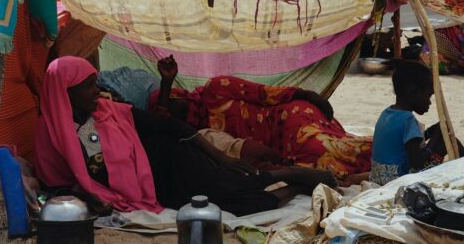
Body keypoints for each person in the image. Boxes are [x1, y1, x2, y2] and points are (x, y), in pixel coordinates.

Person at [34, 56, 337, 216]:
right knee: (244, 206)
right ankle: (297, 184)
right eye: (87, 85)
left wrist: (218, 155)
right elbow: (57, 186)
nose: (95, 91)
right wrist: (88, 195)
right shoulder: (49, 137)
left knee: (231, 184)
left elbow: (170, 127)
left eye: (93, 83)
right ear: (65, 92)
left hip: (171, 160)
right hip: (157, 189)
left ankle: (287, 173)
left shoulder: (108, 111)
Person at [153, 56, 372, 179]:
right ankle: (385, 162)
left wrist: (308, 95)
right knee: (314, 167)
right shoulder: (202, 138)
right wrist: (165, 84)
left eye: (175, 104)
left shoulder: (215, 88)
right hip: (276, 145)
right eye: (171, 113)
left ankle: (391, 154)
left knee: (321, 149)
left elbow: (264, 93)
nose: (177, 111)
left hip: (287, 117)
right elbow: (163, 122)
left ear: (179, 94)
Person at [370, 61, 464, 185]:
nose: (429, 102)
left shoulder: (388, 113)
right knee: (448, 142)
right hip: (397, 180)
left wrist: (429, 132)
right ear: (414, 90)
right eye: (428, 95)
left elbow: (408, 144)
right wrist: (435, 137)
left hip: (378, 176)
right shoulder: (408, 120)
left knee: (442, 139)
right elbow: (416, 162)